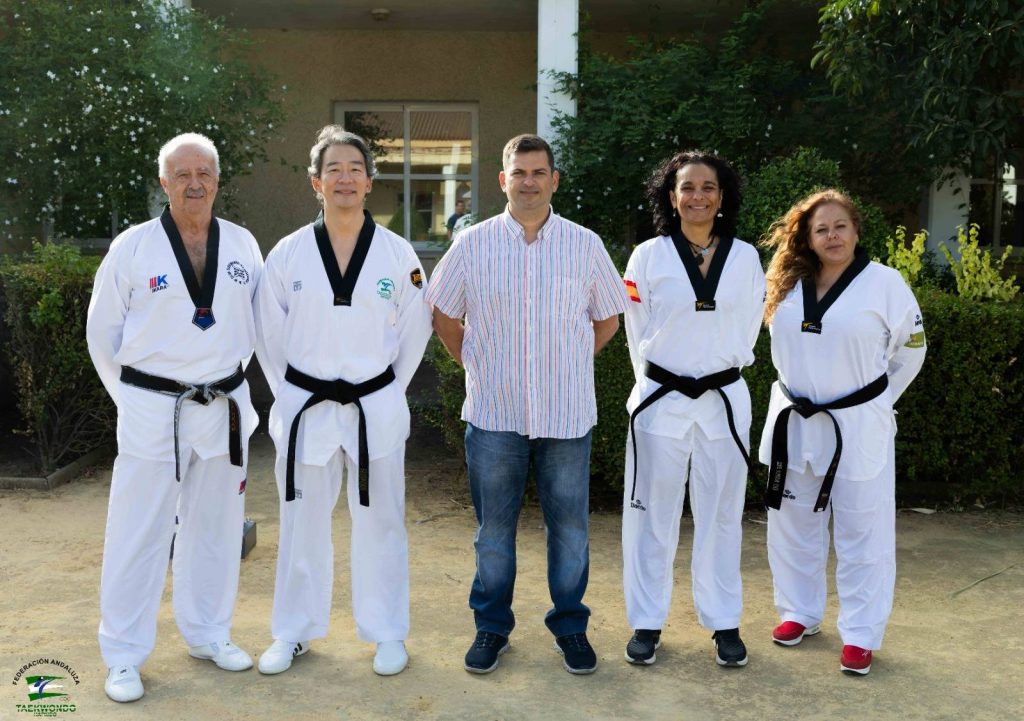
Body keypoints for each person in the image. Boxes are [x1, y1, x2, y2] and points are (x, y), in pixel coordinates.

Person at [427, 134, 628, 676]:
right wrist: (475, 363)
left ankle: (571, 626)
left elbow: (608, 318)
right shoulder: (472, 245)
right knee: (494, 532)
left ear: (554, 180)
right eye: (519, 172)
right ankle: (491, 627)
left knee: (572, 532)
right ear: (503, 180)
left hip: (566, 417)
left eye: (539, 172)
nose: (529, 182)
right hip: (494, 415)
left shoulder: (584, 245)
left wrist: (569, 361)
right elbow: (442, 313)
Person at [86, 133, 262, 702]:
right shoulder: (133, 247)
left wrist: (224, 377)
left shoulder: (242, 244)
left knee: (216, 528)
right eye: (182, 174)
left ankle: (208, 633)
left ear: (217, 180)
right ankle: (123, 655)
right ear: (164, 182)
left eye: (203, 173)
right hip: (152, 407)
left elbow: (255, 328)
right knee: (138, 530)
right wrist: (133, 399)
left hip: (222, 406)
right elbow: (101, 335)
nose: (194, 183)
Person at [254, 126, 432, 678]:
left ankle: (387, 632)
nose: (345, 178)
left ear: (370, 182)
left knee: (382, 522)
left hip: (373, 404)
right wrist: (294, 393)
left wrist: (384, 391)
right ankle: (293, 631)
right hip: (306, 404)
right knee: (300, 521)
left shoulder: (398, 253)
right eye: (334, 169)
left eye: (356, 168)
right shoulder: (287, 253)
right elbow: (268, 336)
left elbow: (415, 333)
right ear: (316, 182)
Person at [758, 189, 926, 675]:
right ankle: (799, 611)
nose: (832, 236)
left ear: (856, 230)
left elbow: (912, 350)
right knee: (792, 525)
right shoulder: (787, 284)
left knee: (862, 531)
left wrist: (875, 401)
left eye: (840, 227)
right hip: (795, 420)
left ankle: (860, 633)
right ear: (807, 238)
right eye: (821, 229)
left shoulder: (884, 283)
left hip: (857, 424)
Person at [621, 151, 764, 668]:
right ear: (671, 196)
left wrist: (713, 369)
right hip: (662, 400)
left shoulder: (745, 257)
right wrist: (664, 380)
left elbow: (749, 328)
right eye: (687, 187)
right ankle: (646, 621)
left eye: (708, 187)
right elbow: (636, 331)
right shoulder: (647, 257)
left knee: (722, 515)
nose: (697, 196)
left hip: (723, 400)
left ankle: (724, 620)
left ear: (722, 197)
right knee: (650, 515)